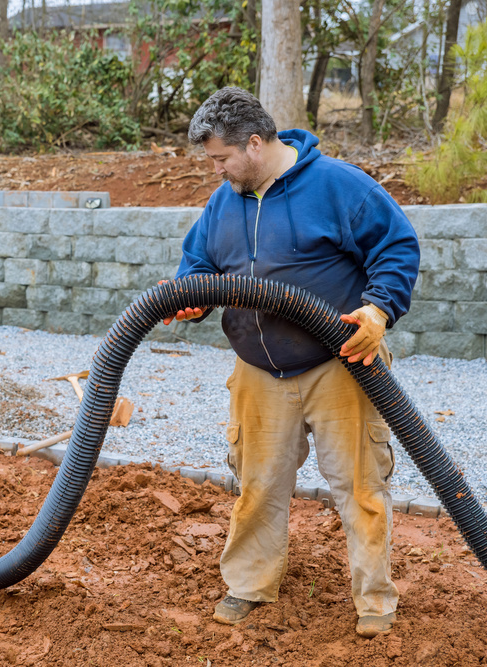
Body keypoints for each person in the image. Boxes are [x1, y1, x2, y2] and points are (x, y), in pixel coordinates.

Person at [163, 87, 420, 638]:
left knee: (360, 486)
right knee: (257, 483)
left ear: (254, 144)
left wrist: (377, 311)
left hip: (340, 362)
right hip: (258, 370)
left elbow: (397, 246)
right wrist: (189, 295)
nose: (217, 170)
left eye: (221, 158)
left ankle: (374, 599)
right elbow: (198, 263)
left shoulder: (337, 186)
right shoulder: (223, 202)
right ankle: (249, 584)